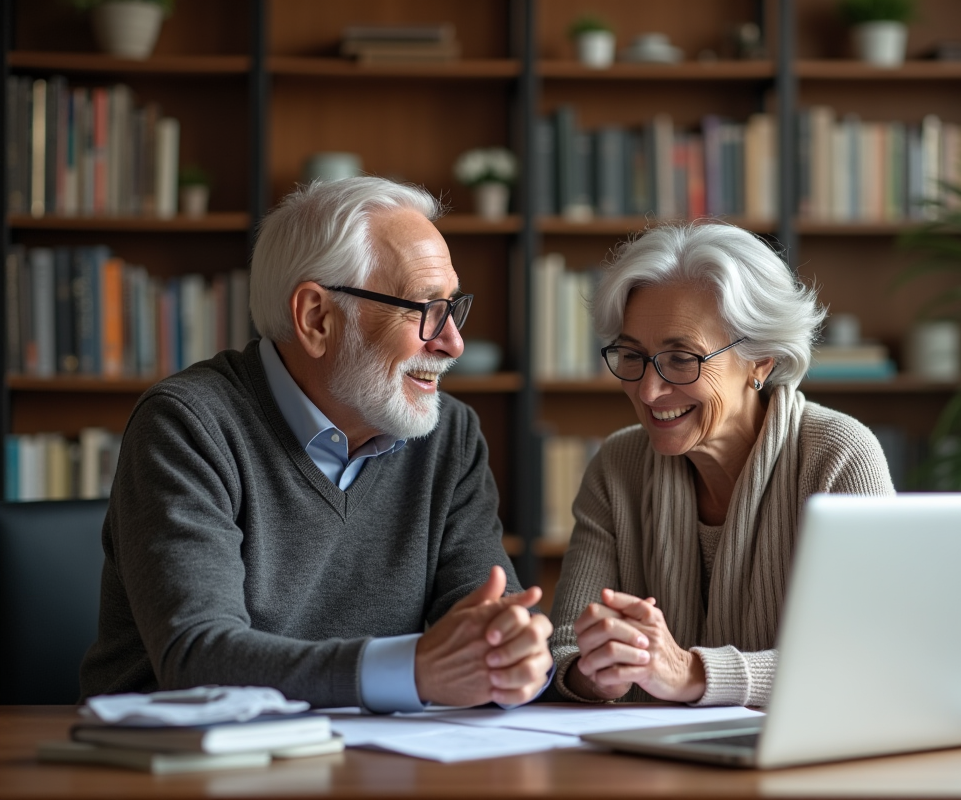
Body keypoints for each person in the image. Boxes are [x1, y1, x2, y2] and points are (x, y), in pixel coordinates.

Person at [80, 177, 553, 712]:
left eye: (452, 307)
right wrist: (413, 670)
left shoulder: (449, 434)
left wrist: (518, 654)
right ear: (316, 318)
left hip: (376, 763)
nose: (453, 342)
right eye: (424, 308)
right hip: (176, 769)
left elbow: (491, 616)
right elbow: (197, 658)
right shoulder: (188, 424)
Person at [548, 221, 894, 707]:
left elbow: (869, 661)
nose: (649, 392)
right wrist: (599, 671)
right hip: (653, 769)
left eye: (682, 358)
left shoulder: (838, 456)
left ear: (762, 360)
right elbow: (566, 645)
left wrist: (690, 673)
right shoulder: (618, 465)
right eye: (632, 356)